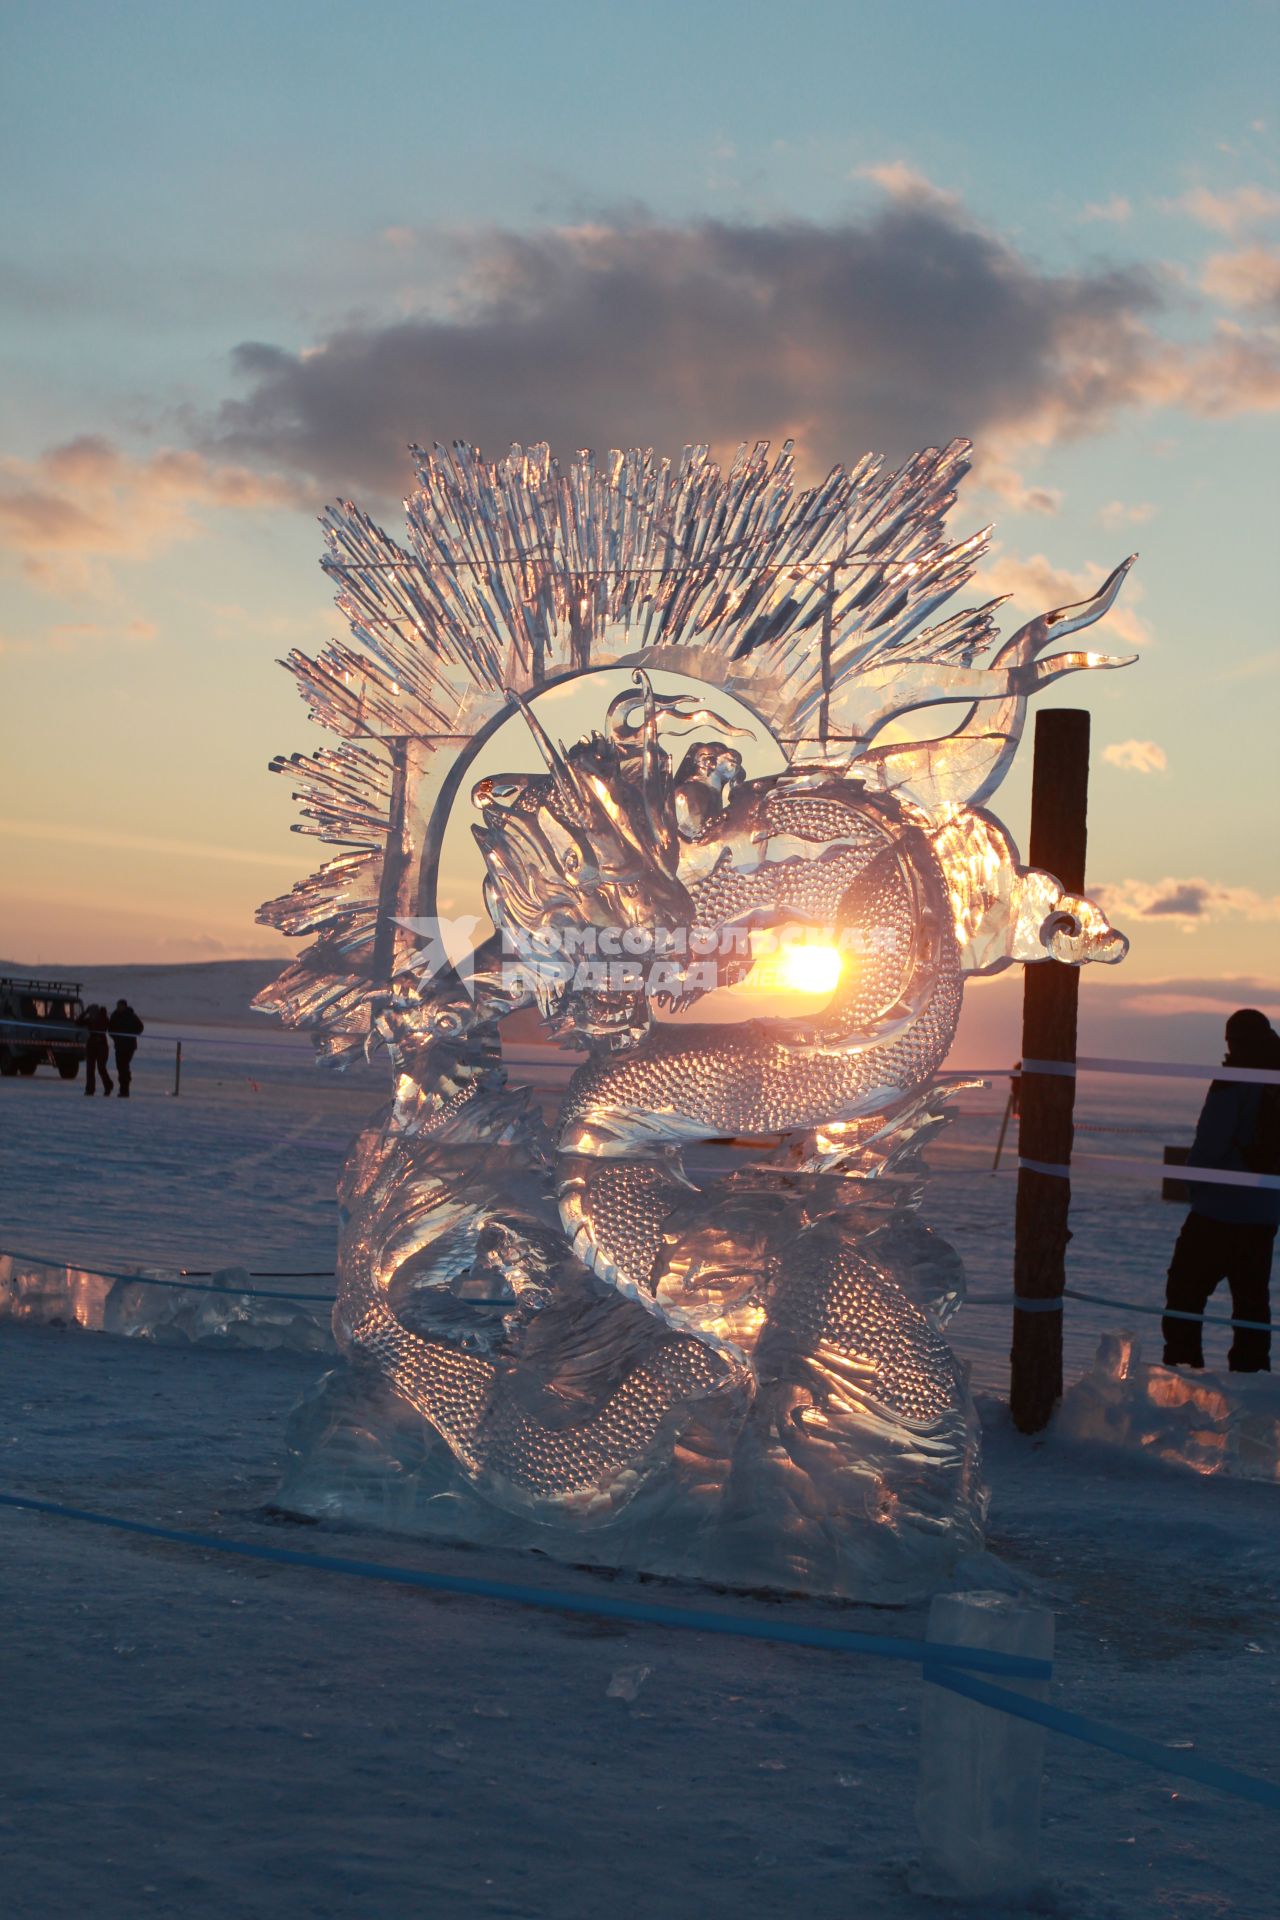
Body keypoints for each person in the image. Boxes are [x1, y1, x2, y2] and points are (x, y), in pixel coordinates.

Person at [1162, 1008, 1280, 1372]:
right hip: (1263, 1213)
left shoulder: (1234, 1080)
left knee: (1184, 1295)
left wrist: (1194, 1183)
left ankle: (1183, 1374)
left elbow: (1211, 1142)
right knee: (1251, 1303)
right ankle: (1251, 1377)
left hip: (1218, 1210)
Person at [108, 997, 144, 1098]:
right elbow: (110, 1029)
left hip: (129, 1046)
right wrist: (116, 1038)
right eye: (117, 1006)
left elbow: (140, 1027)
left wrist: (131, 1035)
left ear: (124, 1006)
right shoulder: (115, 1015)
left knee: (124, 1066)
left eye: (120, 1006)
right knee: (120, 1067)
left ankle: (125, 1089)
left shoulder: (131, 1016)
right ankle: (123, 1089)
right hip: (119, 1045)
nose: (118, 1007)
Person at [77, 1004, 113, 1097]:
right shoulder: (89, 1020)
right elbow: (78, 1022)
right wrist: (85, 1013)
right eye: (90, 1012)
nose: (92, 1014)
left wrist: (102, 1013)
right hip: (91, 1045)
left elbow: (108, 1026)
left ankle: (108, 1086)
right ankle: (90, 1089)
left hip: (102, 1046)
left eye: (93, 1012)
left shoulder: (103, 1018)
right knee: (90, 1069)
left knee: (101, 1067)